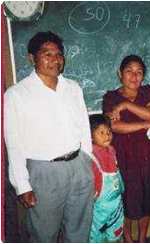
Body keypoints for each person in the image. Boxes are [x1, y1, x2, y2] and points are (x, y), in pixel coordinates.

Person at [4, 31, 94, 242]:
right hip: (44, 173)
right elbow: (14, 143)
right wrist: (23, 186)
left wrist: (89, 165)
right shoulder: (17, 94)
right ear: (31, 58)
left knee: (79, 230)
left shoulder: (73, 88)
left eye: (58, 54)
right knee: (44, 234)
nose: (55, 59)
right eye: (47, 54)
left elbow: (84, 129)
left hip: (79, 166)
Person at [102, 55, 150, 243]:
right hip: (123, 155)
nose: (134, 76)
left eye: (139, 72)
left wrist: (125, 105)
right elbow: (114, 127)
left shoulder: (149, 92)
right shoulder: (111, 97)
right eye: (129, 71)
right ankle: (127, 238)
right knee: (125, 200)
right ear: (120, 73)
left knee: (147, 198)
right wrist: (143, 125)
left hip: (149, 154)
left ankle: (141, 239)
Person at [89, 114, 125, 242]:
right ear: (91, 137)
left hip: (116, 203)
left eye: (109, 132)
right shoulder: (91, 157)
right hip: (100, 206)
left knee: (115, 231)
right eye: (102, 133)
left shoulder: (111, 150)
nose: (107, 135)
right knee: (96, 233)